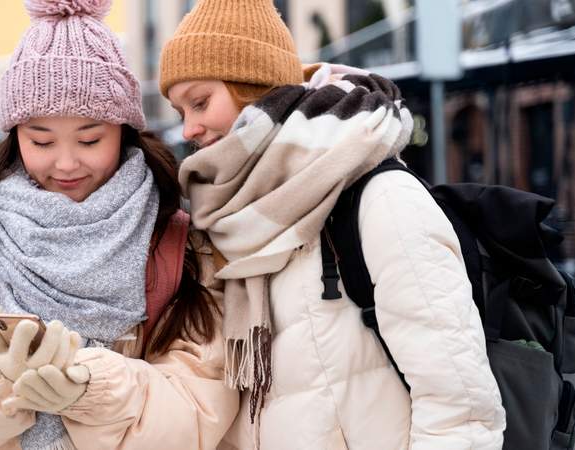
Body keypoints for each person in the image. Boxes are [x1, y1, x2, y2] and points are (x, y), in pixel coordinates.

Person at [0, 1, 239, 449]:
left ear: (124, 131)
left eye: (89, 139)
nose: (66, 163)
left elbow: (203, 415)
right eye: (40, 140)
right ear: (14, 136)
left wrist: (95, 391)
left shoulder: (179, 240)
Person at [159, 0, 506, 449]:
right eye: (179, 111)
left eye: (200, 102)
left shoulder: (377, 197)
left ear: (250, 82)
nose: (189, 129)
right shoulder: (224, 222)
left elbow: (459, 404)